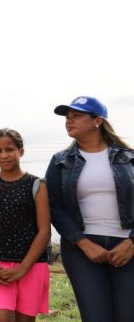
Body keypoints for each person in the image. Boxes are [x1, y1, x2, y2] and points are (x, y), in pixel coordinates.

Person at [46, 96, 134, 322]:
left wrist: (131, 242)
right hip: (82, 249)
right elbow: (53, 206)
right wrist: (84, 244)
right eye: (67, 117)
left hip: (128, 247)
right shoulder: (60, 161)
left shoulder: (130, 158)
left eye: (77, 116)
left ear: (97, 120)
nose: (69, 121)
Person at [0, 129, 50, 322]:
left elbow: (44, 231)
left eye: (9, 149)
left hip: (32, 265)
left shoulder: (37, 185)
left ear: (21, 151)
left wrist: (24, 267)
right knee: (2, 318)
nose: (4, 155)